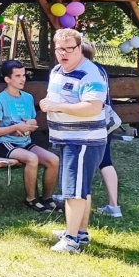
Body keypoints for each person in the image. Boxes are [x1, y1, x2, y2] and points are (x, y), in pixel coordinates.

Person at [39, 28, 107, 254]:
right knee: (81, 187)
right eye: (60, 49)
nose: (64, 54)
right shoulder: (57, 70)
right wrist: (48, 102)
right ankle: (80, 233)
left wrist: (57, 106)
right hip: (66, 138)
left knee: (73, 191)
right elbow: (55, 98)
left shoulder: (90, 73)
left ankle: (70, 240)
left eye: (70, 49)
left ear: (80, 48)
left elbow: (93, 107)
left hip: (83, 140)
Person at [0, 59, 60, 212]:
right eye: (18, 76)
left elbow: (32, 120)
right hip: (3, 144)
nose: (23, 79)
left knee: (54, 160)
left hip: (24, 142)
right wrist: (15, 127)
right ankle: (31, 199)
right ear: (7, 79)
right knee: (32, 159)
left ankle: (47, 198)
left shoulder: (28, 98)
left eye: (24, 75)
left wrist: (31, 123)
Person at [81, 40, 122, 219]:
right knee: (105, 161)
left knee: (82, 160)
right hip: (106, 120)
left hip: (92, 121)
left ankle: (78, 198)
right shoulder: (100, 69)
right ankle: (114, 206)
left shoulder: (85, 71)